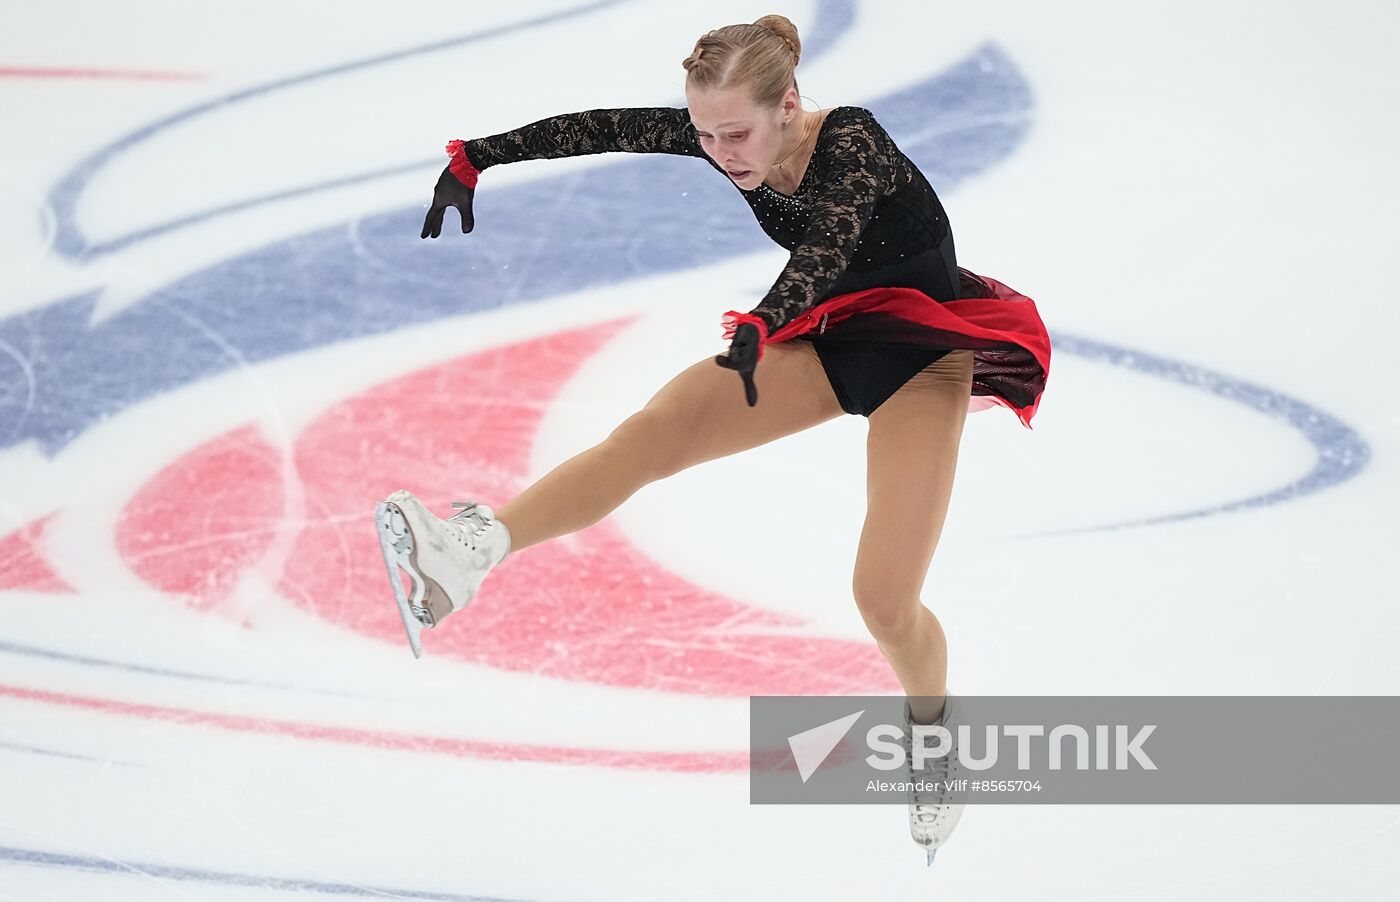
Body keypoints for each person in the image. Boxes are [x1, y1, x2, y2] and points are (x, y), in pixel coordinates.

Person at [374, 14, 1051, 865]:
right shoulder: (722, 135)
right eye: (706, 134)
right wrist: (476, 156)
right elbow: (606, 128)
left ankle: (933, 742)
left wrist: (763, 322)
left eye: (737, 132)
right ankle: (470, 552)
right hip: (827, 337)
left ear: (789, 104)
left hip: (921, 351)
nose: (724, 152)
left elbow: (828, 240)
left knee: (883, 600)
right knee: (652, 435)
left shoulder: (855, 141)